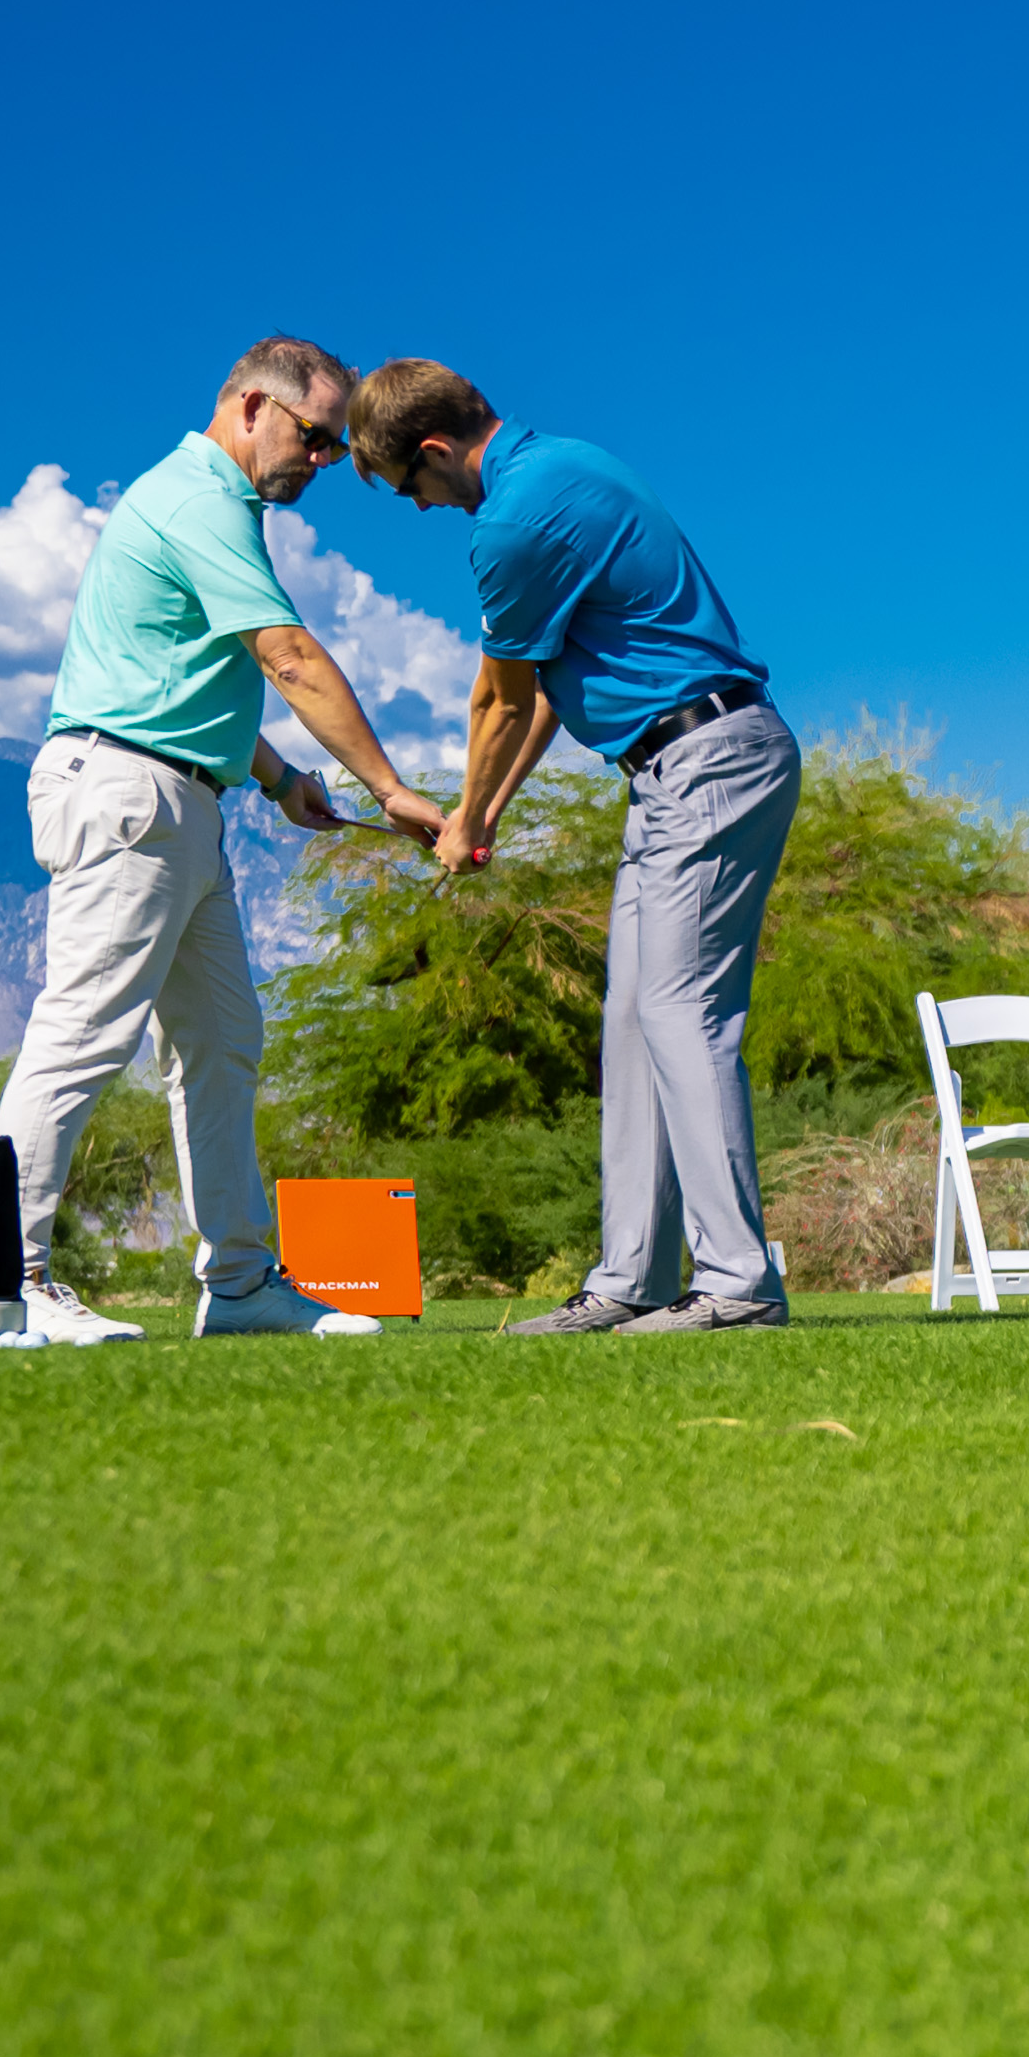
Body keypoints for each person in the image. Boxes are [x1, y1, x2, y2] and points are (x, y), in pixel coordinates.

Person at [0, 337, 439, 1348]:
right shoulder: (199, 499)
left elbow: (196, 675)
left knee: (223, 1045)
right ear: (247, 407)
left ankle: (238, 1286)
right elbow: (282, 653)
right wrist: (390, 789)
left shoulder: (211, 504)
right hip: (127, 795)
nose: (319, 464)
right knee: (84, 1032)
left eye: (330, 451)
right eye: (313, 438)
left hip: (182, 801)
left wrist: (280, 782)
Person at [355, 359, 805, 1336]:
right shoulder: (567, 463)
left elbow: (499, 699)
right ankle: (628, 1282)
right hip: (670, 769)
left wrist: (461, 818)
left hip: (708, 760)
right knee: (635, 1022)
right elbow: (557, 688)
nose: (424, 509)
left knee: (683, 1015)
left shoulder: (513, 521)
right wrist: (491, 814)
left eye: (413, 492)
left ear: (433, 451)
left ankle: (737, 1286)